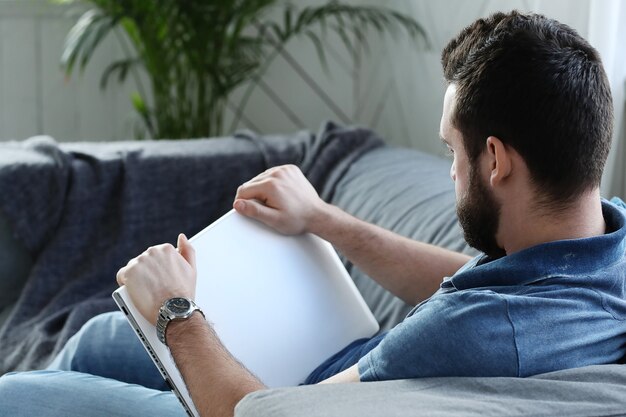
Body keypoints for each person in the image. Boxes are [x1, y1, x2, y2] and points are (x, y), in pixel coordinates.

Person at [1, 9, 626, 417]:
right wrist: (327, 219)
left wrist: (176, 311)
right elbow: (476, 280)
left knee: (16, 396)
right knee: (100, 336)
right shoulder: (604, 241)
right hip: (327, 368)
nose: (451, 171)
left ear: (496, 160)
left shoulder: (480, 332)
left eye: (450, 150)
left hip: (277, 399)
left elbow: (255, 413)